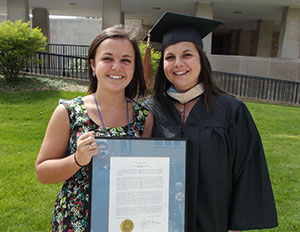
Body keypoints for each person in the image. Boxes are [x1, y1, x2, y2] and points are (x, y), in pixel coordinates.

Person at [144, 12, 278, 232]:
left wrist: (234, 227)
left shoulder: (231, 110)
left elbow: (246, 171)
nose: (178, 64)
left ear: (201, 59)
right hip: (160, 225)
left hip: (214, 224)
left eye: (187, 55)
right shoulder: (150, 111)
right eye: (170, 57)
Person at [35, 25, 153, 231]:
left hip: (124, 220)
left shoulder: (143, 117)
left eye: (126, 60)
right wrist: (77, 160)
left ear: (134, 68)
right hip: (76, 219)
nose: (117, 66)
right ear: (92, 65)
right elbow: (42, 173)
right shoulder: (68, 113)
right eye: (107, 59)